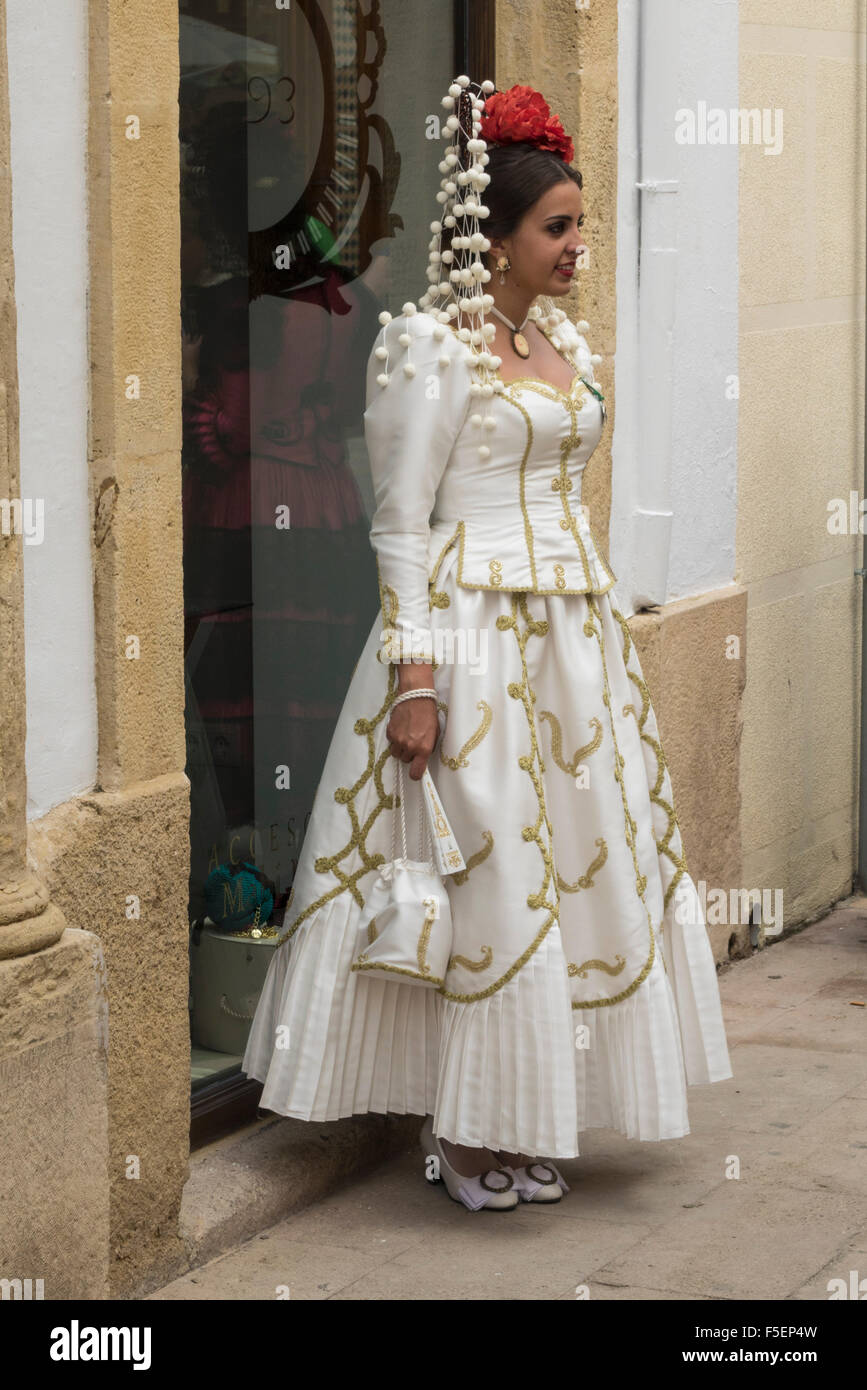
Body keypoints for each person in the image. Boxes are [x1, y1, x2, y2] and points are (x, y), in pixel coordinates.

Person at [242, 76, 732, 1213]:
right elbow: (401, 520)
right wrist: (416, 680)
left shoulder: (553, 336)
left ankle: (523, 1109)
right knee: (486, 871)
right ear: (496, 238)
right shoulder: (432, 348)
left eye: (578, 225)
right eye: (557, 227)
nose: (576, 246)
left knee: (569, 866)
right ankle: (458, 1132)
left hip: (572, 643)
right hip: (467, 637)